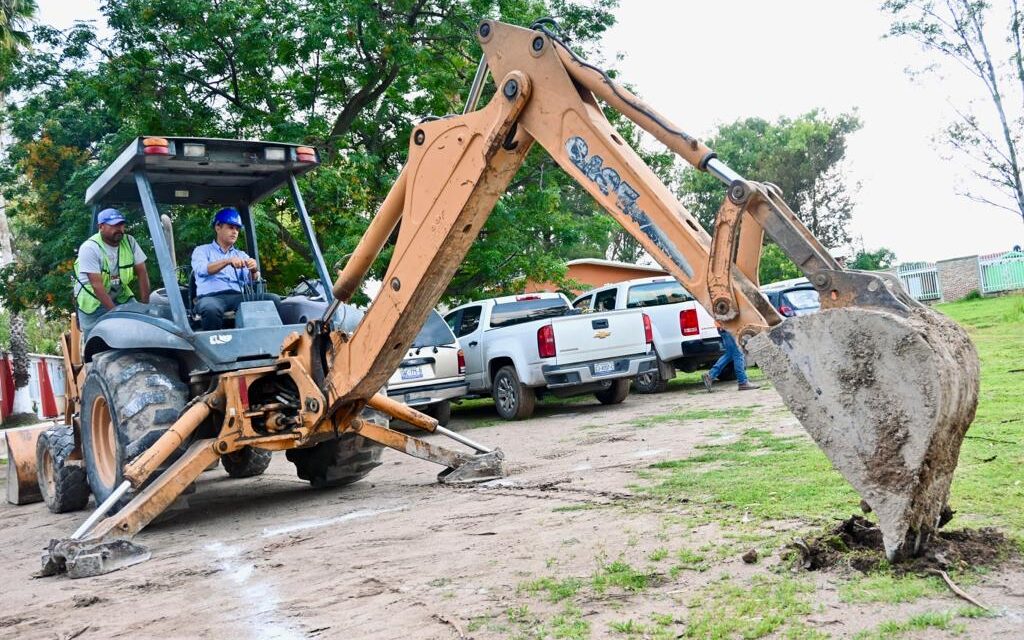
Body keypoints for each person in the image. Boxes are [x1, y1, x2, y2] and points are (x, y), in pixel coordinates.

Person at [191, 207, 281, 330]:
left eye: (237, 229)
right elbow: (202, 270)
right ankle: (216, 346)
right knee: (210, 308)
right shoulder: (202, 250)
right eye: (231, 227)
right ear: (218, 227)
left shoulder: (241, 255)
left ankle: (266, 343)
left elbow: (251, 280)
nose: (235, 232)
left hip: (238, 297)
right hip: (211, 297)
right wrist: (227, 261)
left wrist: (254, 270)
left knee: (273, 299)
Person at [74, 207, 150, 336]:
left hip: (120, 295)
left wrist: (144, 305)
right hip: (94, 301)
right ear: (101, 226)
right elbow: (97, 286)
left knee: (142, 326)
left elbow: (142, 273)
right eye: (114, 225)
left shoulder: (130, 242)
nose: (119, 229)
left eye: (121, 225)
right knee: (96, 339)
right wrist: (115, 314)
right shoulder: (90, 247)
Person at [702, 326, 760, 392]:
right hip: (729, 328)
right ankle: (743, 382)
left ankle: (710, 375)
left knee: (729, 354)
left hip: (724, 328)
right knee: (738, 355)